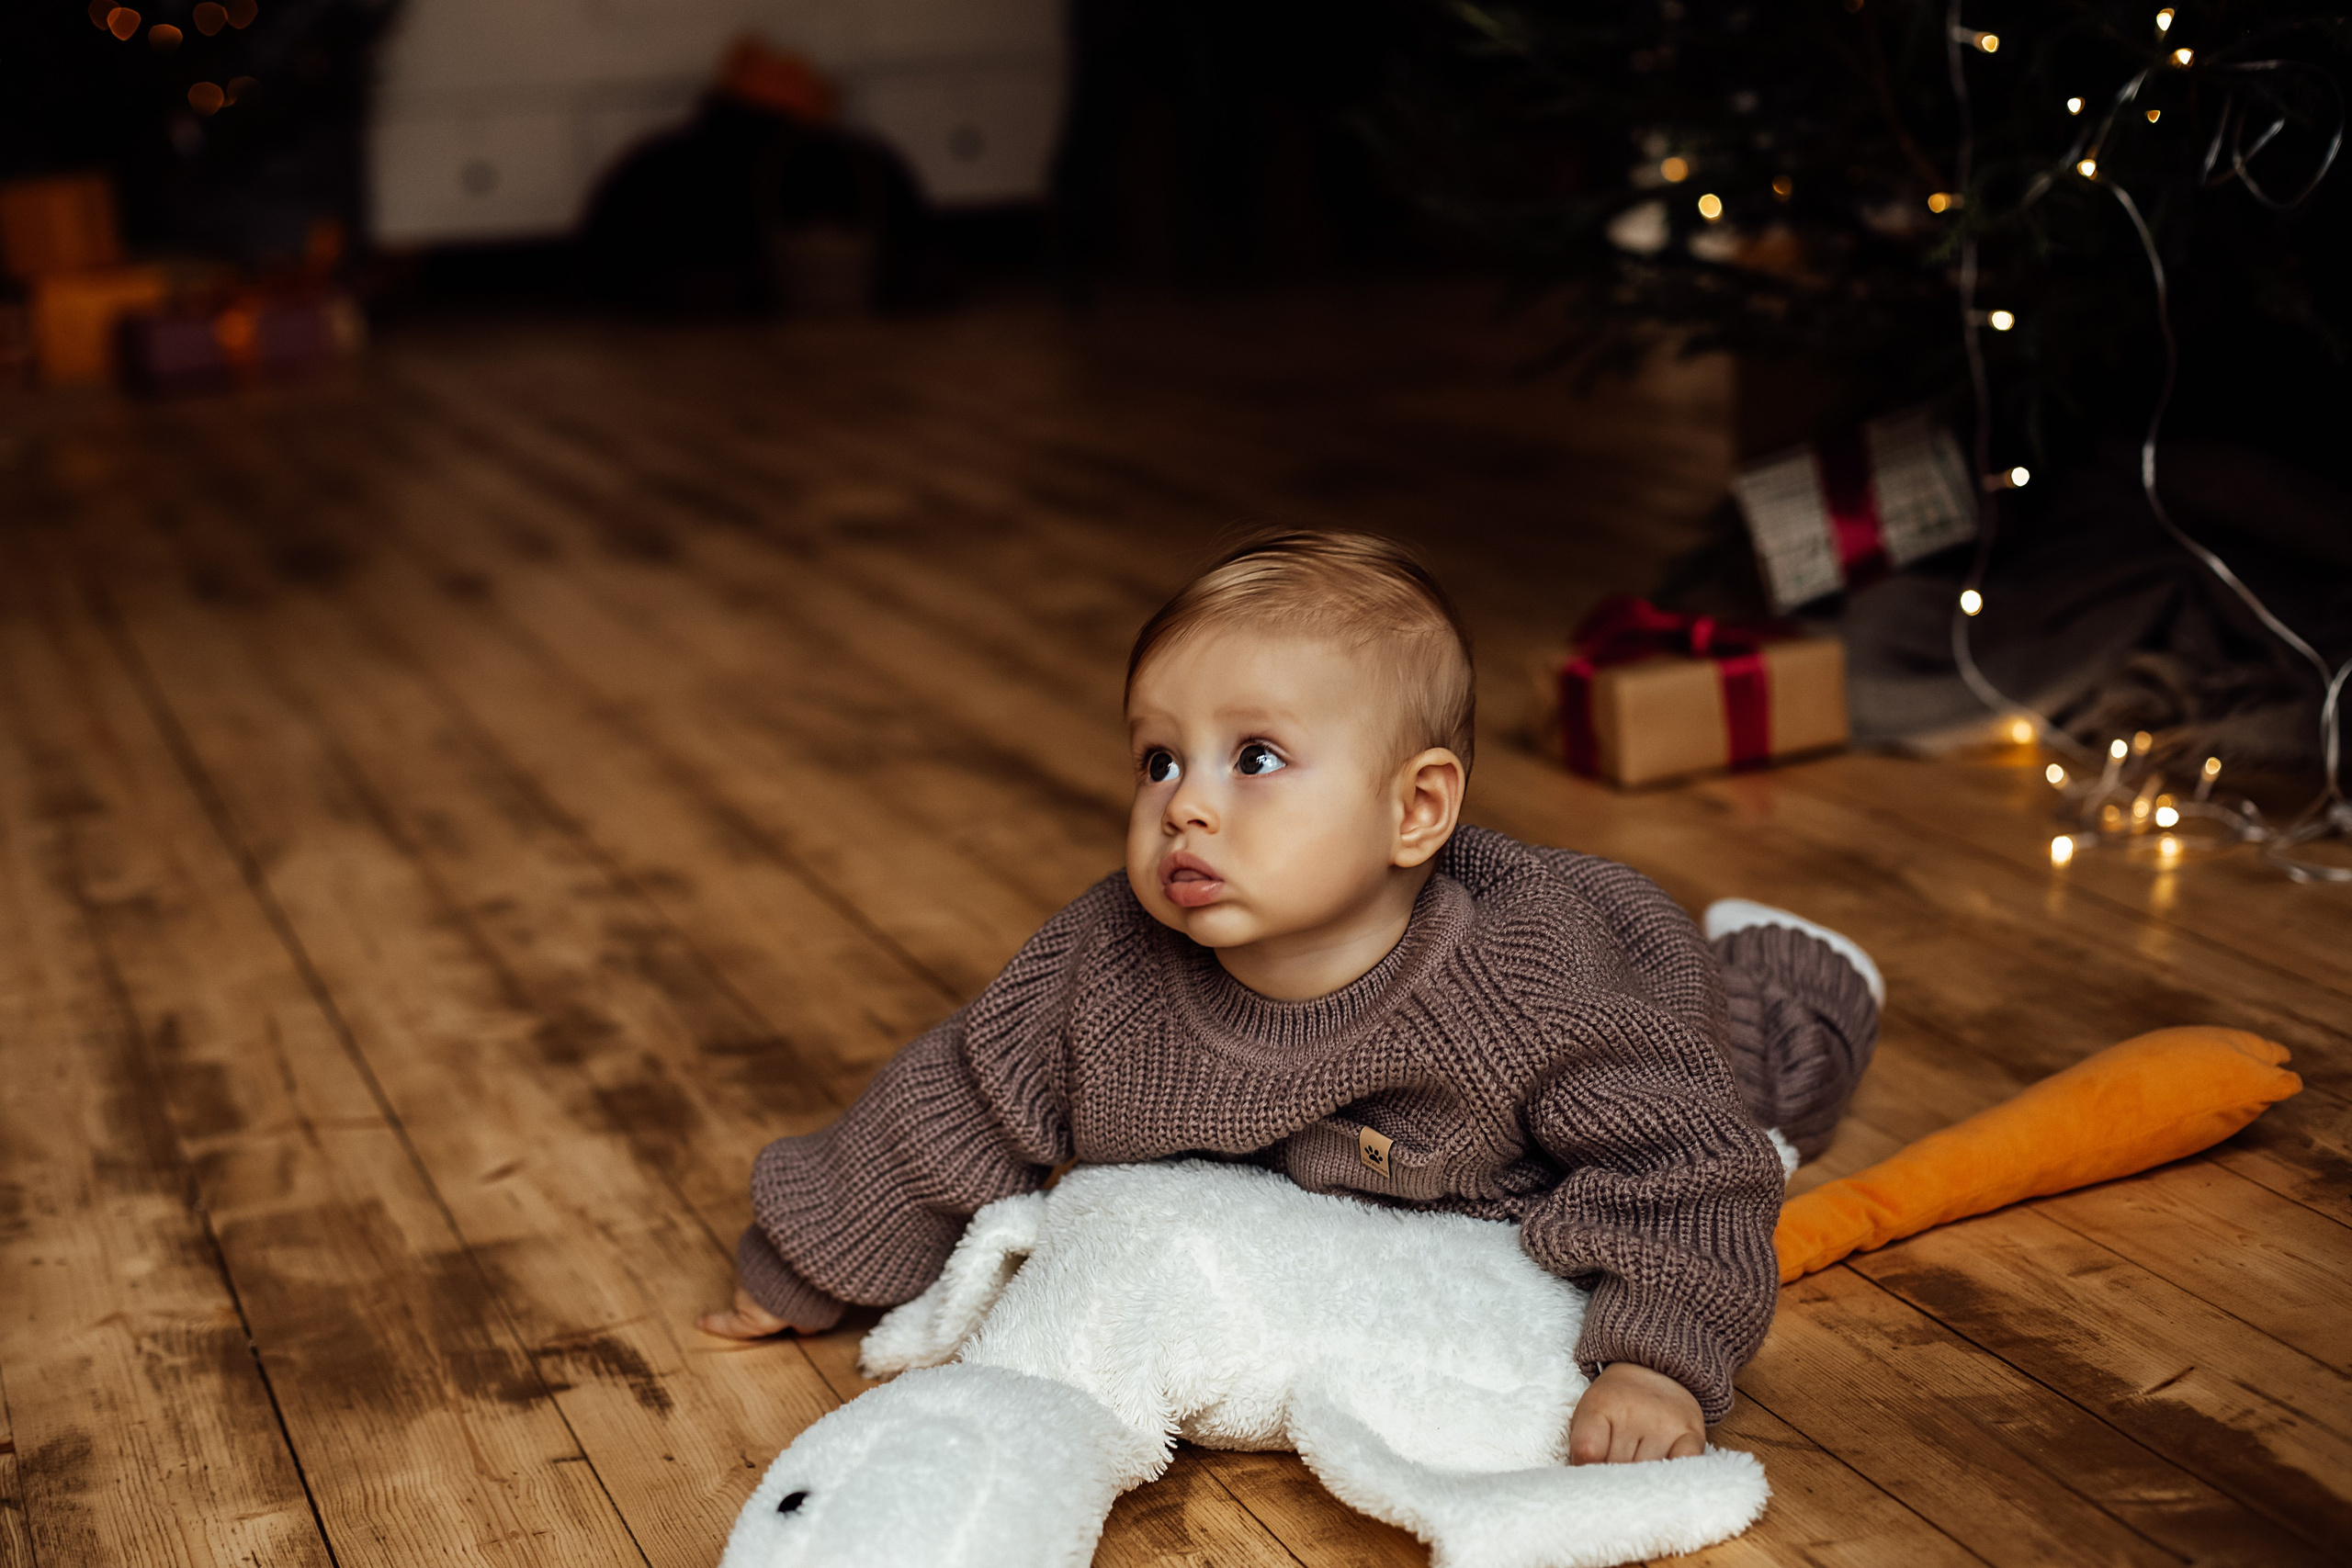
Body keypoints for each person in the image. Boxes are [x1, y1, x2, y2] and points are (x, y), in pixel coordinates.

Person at [700, 530, 1880, 1464]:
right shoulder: (1102, 967)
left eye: (1252, 758)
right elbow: (958, 1103)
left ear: (1414, 810)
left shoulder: (1535, 983)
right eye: (1160, 758)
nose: (1186, 805)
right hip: (1349, 1181)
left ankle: (1792, 976)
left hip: (1647, 1024)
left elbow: (1686, 1169)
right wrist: (807, 1262)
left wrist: (1658, 1361)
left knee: (1762, 1103)